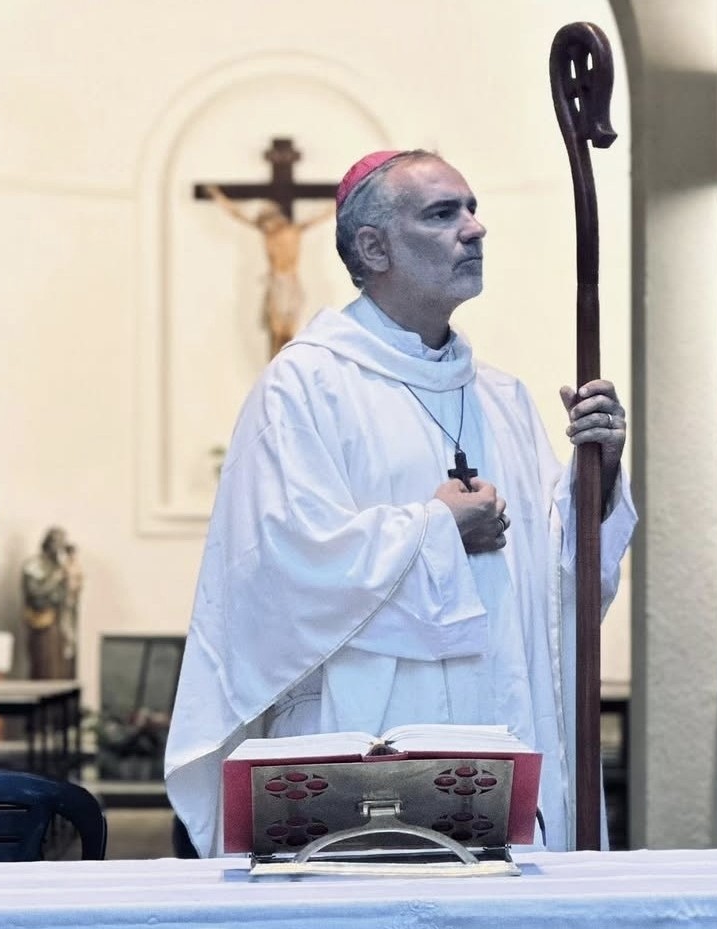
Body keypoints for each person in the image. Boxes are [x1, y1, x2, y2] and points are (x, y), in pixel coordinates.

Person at [166, 150, 636, 856]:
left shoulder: (501, 398)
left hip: (501, 730)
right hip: (363, 745)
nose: (475, 229)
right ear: (373, 246)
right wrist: (436, 529)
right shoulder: (305, 387)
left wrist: (595, 483)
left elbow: (553, 594)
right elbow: (278, 571)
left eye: (473, 208)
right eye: (443, 213)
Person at [206, 185, 334, 357]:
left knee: (289, 331)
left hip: (292, 282)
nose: (266, 223)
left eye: (267, 218)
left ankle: (287, 368)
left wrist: (345, 195)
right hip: (278, 282)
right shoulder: (270, 233)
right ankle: (276, 367)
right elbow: (236, 214)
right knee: (277, 330)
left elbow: (324, 216)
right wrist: (217, 196)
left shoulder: (294, 230)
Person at [22, 527, 83, 679]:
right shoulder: (34, 565)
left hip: (61, 622)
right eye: (57, 543)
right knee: (46, 667)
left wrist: (72, 575)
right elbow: (34, 594)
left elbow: (70, 594)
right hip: (43, 622)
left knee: (63, 668)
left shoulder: (61, 566)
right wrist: (56, 578)